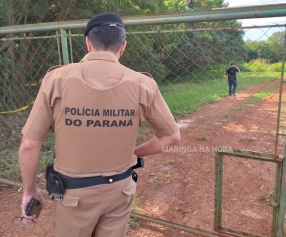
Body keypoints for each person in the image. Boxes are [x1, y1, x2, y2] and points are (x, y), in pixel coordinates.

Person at [18, 12, 180, 236]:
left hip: (73, 195)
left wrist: (29, 190)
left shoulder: (56, 80)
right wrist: (132, 153)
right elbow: (171, 137)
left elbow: (29, 145)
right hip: (119, 191)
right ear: (122, 46)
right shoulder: (144, 84)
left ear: (88, 43)